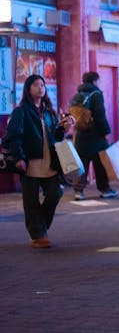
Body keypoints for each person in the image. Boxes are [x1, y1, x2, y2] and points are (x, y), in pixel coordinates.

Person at [4, 74, 74, 248]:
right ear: (28, 89)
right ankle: (38, 235)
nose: (40, 88)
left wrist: (64, 128)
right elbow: (13, 137)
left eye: (42, 85)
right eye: (36, 85)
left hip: (49, 162)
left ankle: (38, 226)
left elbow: (55, 137)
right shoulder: (21, 111)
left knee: (55, 193)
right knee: (31, 200)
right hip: (29, 163)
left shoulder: (49, 112)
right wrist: (18, 157)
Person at [70, 71, 118, 200]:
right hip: (95, 136)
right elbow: (99, 116)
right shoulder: (96, 94)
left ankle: (78, 191)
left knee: (82, 165)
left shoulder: (77, 95)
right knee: (100, 165)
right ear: (95, 81)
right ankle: (105, 189)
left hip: (80, 135)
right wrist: (106, 132)